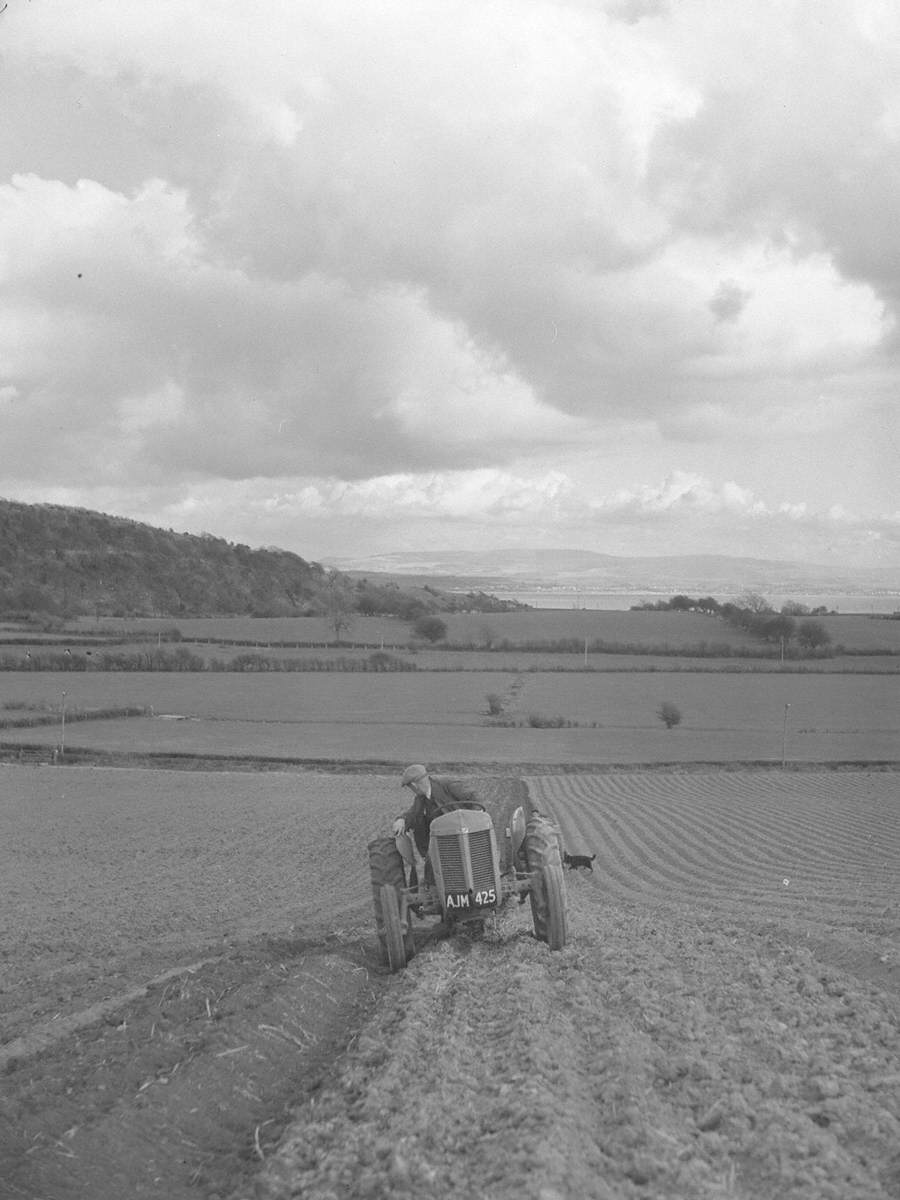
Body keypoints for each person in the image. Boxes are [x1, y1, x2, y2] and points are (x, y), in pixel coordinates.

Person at [391, 764, 481, 891]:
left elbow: (474, 798)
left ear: (415, 785)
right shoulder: (422, 799)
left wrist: (473, 822)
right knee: (431, 860)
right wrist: (402, 819)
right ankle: (433, 889)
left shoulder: (448, 785)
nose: (411, 789)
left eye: (410, 786)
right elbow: (413, 813)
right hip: (443, 842)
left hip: (466, 834)